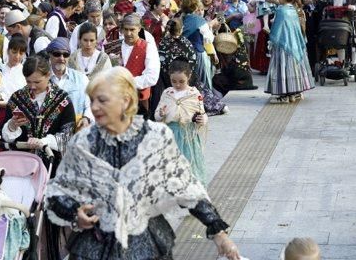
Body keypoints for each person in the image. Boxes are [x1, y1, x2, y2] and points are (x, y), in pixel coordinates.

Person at [45, 67, 240, 260]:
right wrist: (74, 212)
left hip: (145, 243)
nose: (95, 107)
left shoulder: (153, 137)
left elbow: (185, 186)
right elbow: (59, 190)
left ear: (126, 101)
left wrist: (219, 233)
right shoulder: (84, 143)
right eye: (93, 100)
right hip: (94, 245)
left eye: (102, 100)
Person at [1, 55, 76, 165]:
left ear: (48, 75)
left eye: (37, 82)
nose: (32, 86)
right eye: (28, 81)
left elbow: (67, 137)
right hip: (20, 166)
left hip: (52, 166)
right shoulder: (16, 99)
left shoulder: (62, 100)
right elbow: (5, 138)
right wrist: (11, 126)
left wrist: (43, 142)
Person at [154, 60, 208, 183]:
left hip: (188, 136)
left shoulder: (193, 93)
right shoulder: (167, 93)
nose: (177, 85)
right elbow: (157, 114)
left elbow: (202, 113)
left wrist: (202, 119)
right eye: (174, 81)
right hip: (171, 134)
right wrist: (160, 114)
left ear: (189, 77)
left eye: (181, 81)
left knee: (189, 163)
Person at [266, 0, 314, 103]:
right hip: (295, 43)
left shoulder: (281, 10)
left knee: (283, 68)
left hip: (283, 43)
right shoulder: (293, 9)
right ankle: (296, 93)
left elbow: (277, 29)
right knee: (294, 68)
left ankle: (284, 95)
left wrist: (271, 38)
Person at [45, 38, 93, 128]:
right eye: (57, 54)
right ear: (49, 55)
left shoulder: (81, 78)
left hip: (75, 129)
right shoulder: (42, 79)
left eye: (65, 55)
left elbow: (91, 103)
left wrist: (86, 118)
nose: (61, 58)